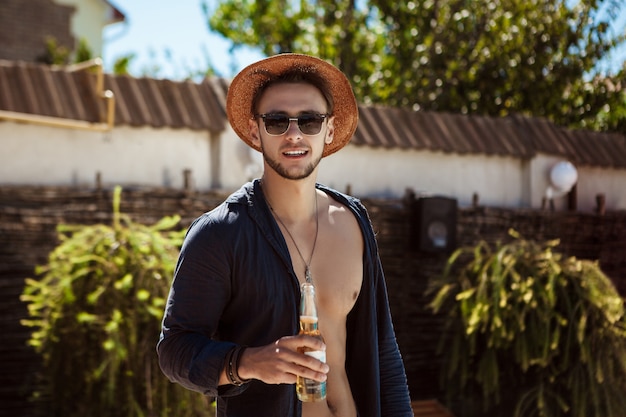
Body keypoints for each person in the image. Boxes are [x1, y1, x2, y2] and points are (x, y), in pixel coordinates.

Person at [157, 53, 413, 417]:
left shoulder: (352, 220)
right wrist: (246, 362)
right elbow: (174, 351)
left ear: (329, 128)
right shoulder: (220, 234)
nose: (294, 134)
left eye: (309, 120)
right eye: (277, 121)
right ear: (253, 130)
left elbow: (383, 350)